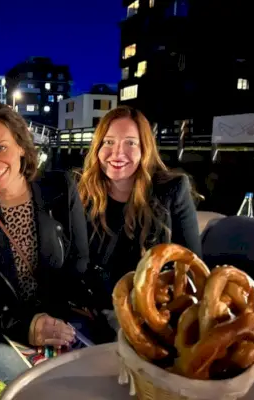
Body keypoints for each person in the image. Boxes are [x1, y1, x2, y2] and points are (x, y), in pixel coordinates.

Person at [0, 100, 94, 384]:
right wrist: (27, 326)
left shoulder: (60, 188)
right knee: (44, 389)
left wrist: (61, 317)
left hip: (58, 315)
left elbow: (79, 262)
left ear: (20, 145)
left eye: (0, 147)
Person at [78, 106, 201, 329]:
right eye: (108, 142)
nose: (117, 153)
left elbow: (193, 267)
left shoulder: (173, 190)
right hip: (91, 313)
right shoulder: (81, 192)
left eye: (130, 143)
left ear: (145, 149)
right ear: (97, 147)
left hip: (153, 317)